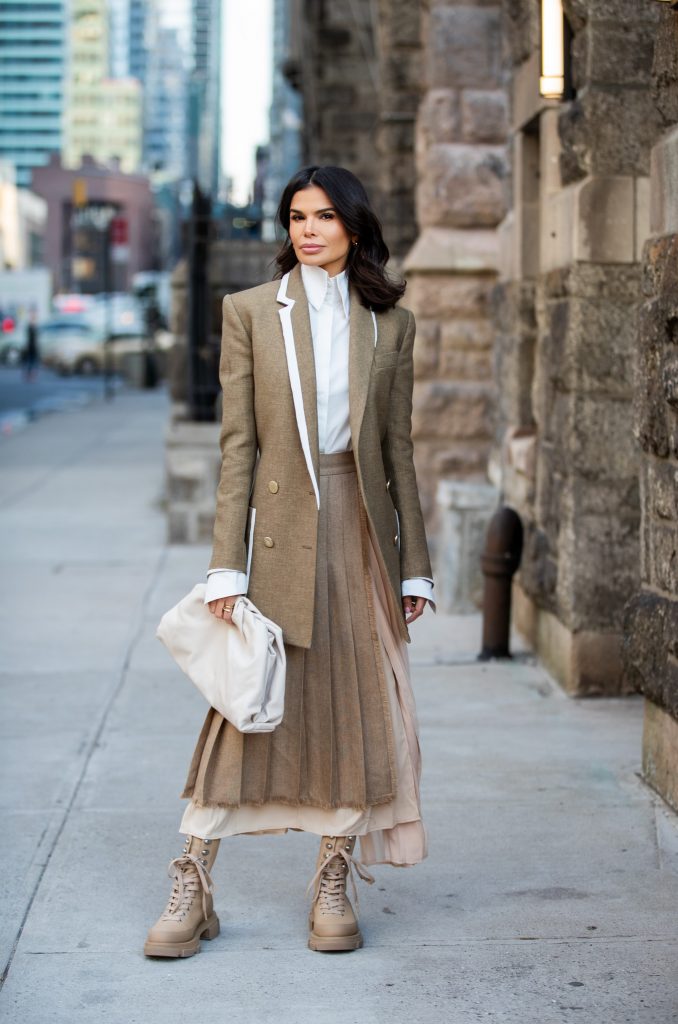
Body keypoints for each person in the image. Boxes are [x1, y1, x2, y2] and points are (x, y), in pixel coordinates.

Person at [144, 165, 435, 957]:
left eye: (325, 216)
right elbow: (238, 446)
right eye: (296, 217)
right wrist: (225, 568)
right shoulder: (248, 311)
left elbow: (397, 453)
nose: (307, 229)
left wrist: (415, 566)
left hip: (360, 532)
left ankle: (334, 877)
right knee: (245, 704)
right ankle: (193, 880)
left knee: (352, 706)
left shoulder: (392, 324)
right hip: (277, 528)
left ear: (353, 226)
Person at [22, 309, 40, 381]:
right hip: (31, 347)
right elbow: (30, 338)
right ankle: (29, 375)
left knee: (32, 361)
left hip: (33, 347)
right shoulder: (30, 326)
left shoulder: (34, 326)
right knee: (30, 361)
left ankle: (31, 375)